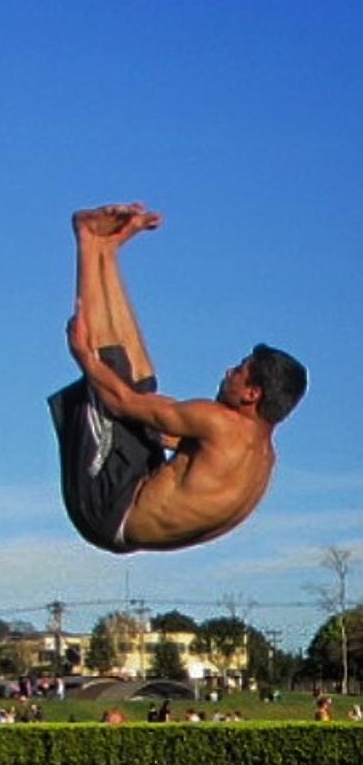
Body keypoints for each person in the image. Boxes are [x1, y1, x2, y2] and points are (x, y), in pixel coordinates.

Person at [49, 203, 307, 554]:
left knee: (109, 373)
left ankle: (87, 239)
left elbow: (120, 402)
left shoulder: (219, 423)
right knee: (143, 387)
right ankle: (106, 252)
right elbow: (159, 425)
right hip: (129, 506)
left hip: (105, 508)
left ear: (252, 393)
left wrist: (82, 355)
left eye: (239, 370)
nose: (228, 372)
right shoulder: (260, 457)